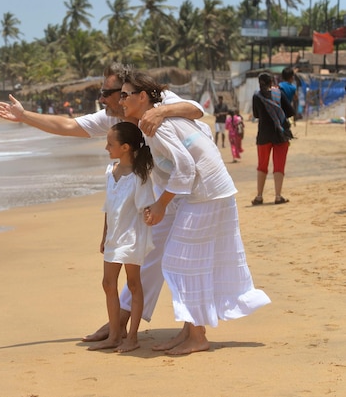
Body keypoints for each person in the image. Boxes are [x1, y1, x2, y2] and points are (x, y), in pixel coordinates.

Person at [0, 62, 205, 342]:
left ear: (128, 92)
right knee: (151, 256)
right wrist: (24, 116)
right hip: (163, 189)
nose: (102, 99)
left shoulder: (156, 101)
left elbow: (196, 109)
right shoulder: (113, 118)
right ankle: (121, 323)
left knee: (182, 257)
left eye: (107, 92)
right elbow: (69, 125)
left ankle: (184, 330)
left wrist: (160, 111)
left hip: (195, 183)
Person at [120, 69, 271, 355]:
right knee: (185, 261)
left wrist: (161, 204)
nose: (121, 100)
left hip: (208, 193)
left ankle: (198, 336)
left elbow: (186, 168)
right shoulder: (155, 119)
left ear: (142, 97)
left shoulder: (157, 124)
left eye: (126, 95)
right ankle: (189, 331)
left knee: (179, 262)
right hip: (208, 191)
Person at [88, 122, 155, 353]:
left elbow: (147, 206)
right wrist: (104, 235)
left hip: (132, 236)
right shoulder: (111, 171)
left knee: (134, 284)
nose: (107, 147)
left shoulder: (140, 176)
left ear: (125, 147)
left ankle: (132, 337)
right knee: (108, 283)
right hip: (114, 237)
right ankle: (115, 335)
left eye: (110, 144)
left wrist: (150, 216)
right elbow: (109, 207)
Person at [251, 72, 295, 206]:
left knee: (262, 165)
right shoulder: (279, 94)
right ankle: (278, 196)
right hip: (280, 135)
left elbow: (256, 115)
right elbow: (290, 111)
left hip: (263, 135)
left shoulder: (256, 96)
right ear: (272, 82)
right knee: (279, 165)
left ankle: (259, 196)